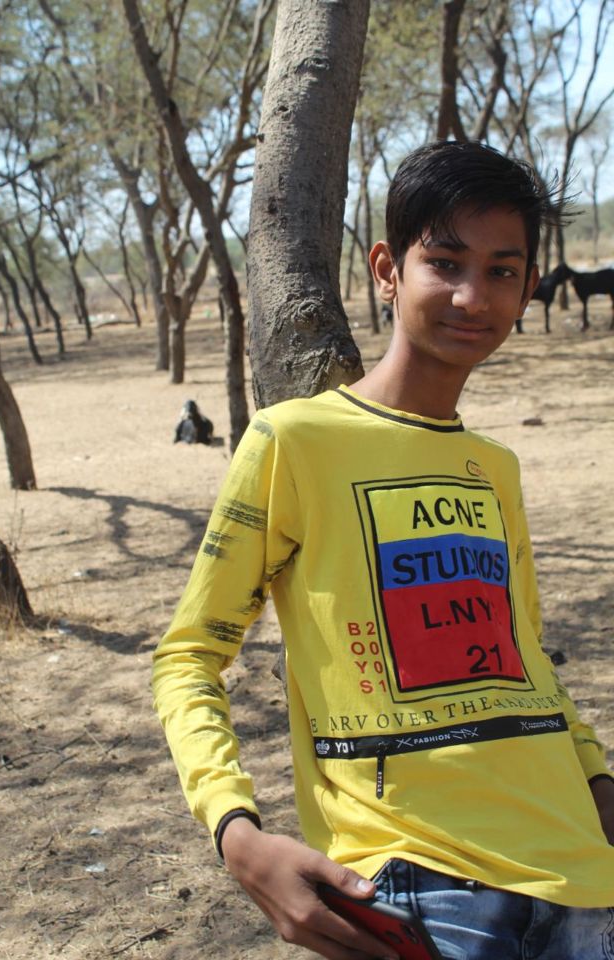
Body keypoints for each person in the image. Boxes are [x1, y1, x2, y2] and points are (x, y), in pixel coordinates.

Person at [152, 140, 614, 960]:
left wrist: (600, 785)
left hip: (584, 872)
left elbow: (525, 662)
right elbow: (188, 657)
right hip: (421, 886)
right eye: (445, 262)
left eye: (502, 271)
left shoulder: (494, 468)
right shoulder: (293, 442)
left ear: (529, 288)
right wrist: (237, 834)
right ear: (386, 270)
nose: (472, 295)